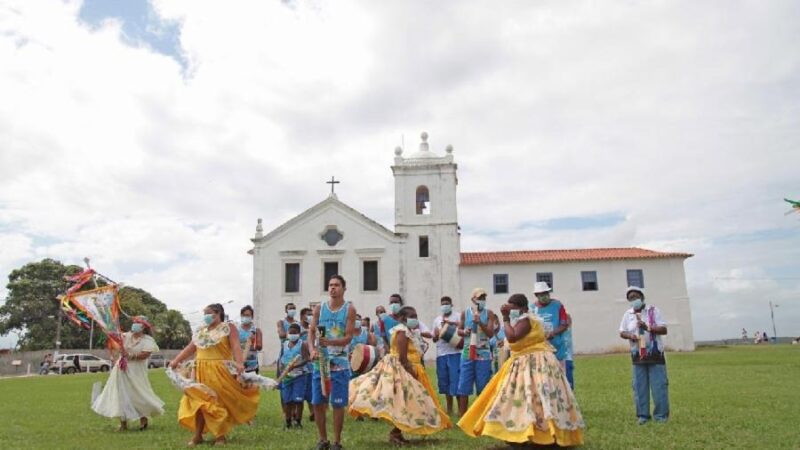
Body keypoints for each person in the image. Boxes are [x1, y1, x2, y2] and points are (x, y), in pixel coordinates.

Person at [458, 294, 584, 446]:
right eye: (509, 307)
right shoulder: (525, 319)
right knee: (530, 400)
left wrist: (505, 318)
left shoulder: (526, 319)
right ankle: (532, 435)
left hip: (533, 364)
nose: (510, 310)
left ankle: (541, 435)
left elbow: (512, 337)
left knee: (535, 399)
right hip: (531, 362)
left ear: (523, 308)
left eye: (513, 308)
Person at [349, 306, 452, 443]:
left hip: (409, 367)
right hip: (403, 370)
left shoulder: (408, 331)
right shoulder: (402, 332)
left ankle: (397, 432)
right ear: (403, 318)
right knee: (406, 401)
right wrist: (412, 373)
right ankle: (396, 433)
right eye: (412, 316)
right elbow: (403, 358)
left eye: (416, 316)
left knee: (407, 402)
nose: (415, 319)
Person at [169, 303, 260, 446]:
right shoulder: (200, 330)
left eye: (208, 312)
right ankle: (198, 436)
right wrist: (176, 360)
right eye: (204, 313)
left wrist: (239, 363)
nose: (206, 316)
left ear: (218, 314)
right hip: (199, 370)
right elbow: (190, 348)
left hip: (219, 370)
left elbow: (236, 345)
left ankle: (220, 436)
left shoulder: (228, 328)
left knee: (217, 402)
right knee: (199, 403)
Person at [307, 275, 357, 450]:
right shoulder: (319, 308)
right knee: (318, 402)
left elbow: (349, 337)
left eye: (336, 285)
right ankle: (322, 439)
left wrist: (331, 343)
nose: (333, 288)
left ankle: (337, 441)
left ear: (344, 288)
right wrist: (313, 350)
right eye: (330, 285)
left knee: (337, 403)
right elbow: (311, 331)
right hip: (319, 363)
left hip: (339, 363)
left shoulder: (349, 309)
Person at [92, 316, 165, 431]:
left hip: (137, 371)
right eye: (134, 322)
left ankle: (143, 419)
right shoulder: (125, 336)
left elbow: (145, 355)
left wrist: (130, 355)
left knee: (139, 394)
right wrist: (103, 324)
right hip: (121, 370)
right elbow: (112, 335)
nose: (134, 324)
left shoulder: (148, 340)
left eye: (138, 323)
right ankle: (123, 424)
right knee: (121, 394)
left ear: (143, 326)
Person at [619, 286, 669, 425]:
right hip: (637, 356)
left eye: (636, 297)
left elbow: (664, 329)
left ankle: (661, 416)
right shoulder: (628, 314)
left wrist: (648, 327)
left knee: (659, 386)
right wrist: (630, 335)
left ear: (642, 297)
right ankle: (643, 416)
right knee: (639, 386)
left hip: (655, 354)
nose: (633, 300)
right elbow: (622, 331)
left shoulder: (653, 311)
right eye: (630, 298)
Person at [456, 288, 498, 417]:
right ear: (473, 299)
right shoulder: (465, 313)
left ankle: (482, 414)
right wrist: (464, 332)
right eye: (479, 298)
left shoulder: (489, 313)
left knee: (482, 385)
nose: (482, 301)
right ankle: (463, 416)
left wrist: (480, 323)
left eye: (484, 298)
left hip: (483, 355)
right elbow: (459, 330)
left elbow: (491, 334)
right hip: (468, 353)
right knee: (464, 385)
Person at [431, 296, 461, 414]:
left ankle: (460, 408)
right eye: (443, 304)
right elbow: (434, 338)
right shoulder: (437, 320)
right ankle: (449, 408)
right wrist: (436, 335)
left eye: (447, 303)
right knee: (445, 381)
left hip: (455, 353)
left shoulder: (457, 316)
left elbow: (462, 329)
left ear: (451, 305)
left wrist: (450, 326)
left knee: (456, 380)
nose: (445, 306)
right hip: (441, 354)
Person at [532, 281, 570, 372]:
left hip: (557, 347)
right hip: (540, 349)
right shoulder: (532, 308)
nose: (544, 296)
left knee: (559, 376)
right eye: (541, 295)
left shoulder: (558, 305)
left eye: (546, 293)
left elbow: (564, 324)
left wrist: (553, 333)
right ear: (536, 295)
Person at [280, 322, 310, 429]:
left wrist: (295, 365)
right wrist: (282, 371)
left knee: (298, 400)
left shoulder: (303, 344)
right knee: (287, 401)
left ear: (299, 333)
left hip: (300, 376)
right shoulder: (285, 344)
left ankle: (298, 421)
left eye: (295, 332)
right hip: (287, 376)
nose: (292, 334)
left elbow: (307, 359)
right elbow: (282, 360)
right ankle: (288, 422)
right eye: (290, 332)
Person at [239, 305, 263, 374]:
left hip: (252, 366)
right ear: (241, 316)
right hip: (239, 365)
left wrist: (254, 341)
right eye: (244, 315)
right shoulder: (236, 330)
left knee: (252, 384)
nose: (245, 317)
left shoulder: (256, 330)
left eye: (248, 315)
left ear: (252, 317)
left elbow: (259, 347)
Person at [563, 314, 575, 390]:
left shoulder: (566, 330)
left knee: (568, 387)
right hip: (556, 359)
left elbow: (568, 320)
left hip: (567, 360)